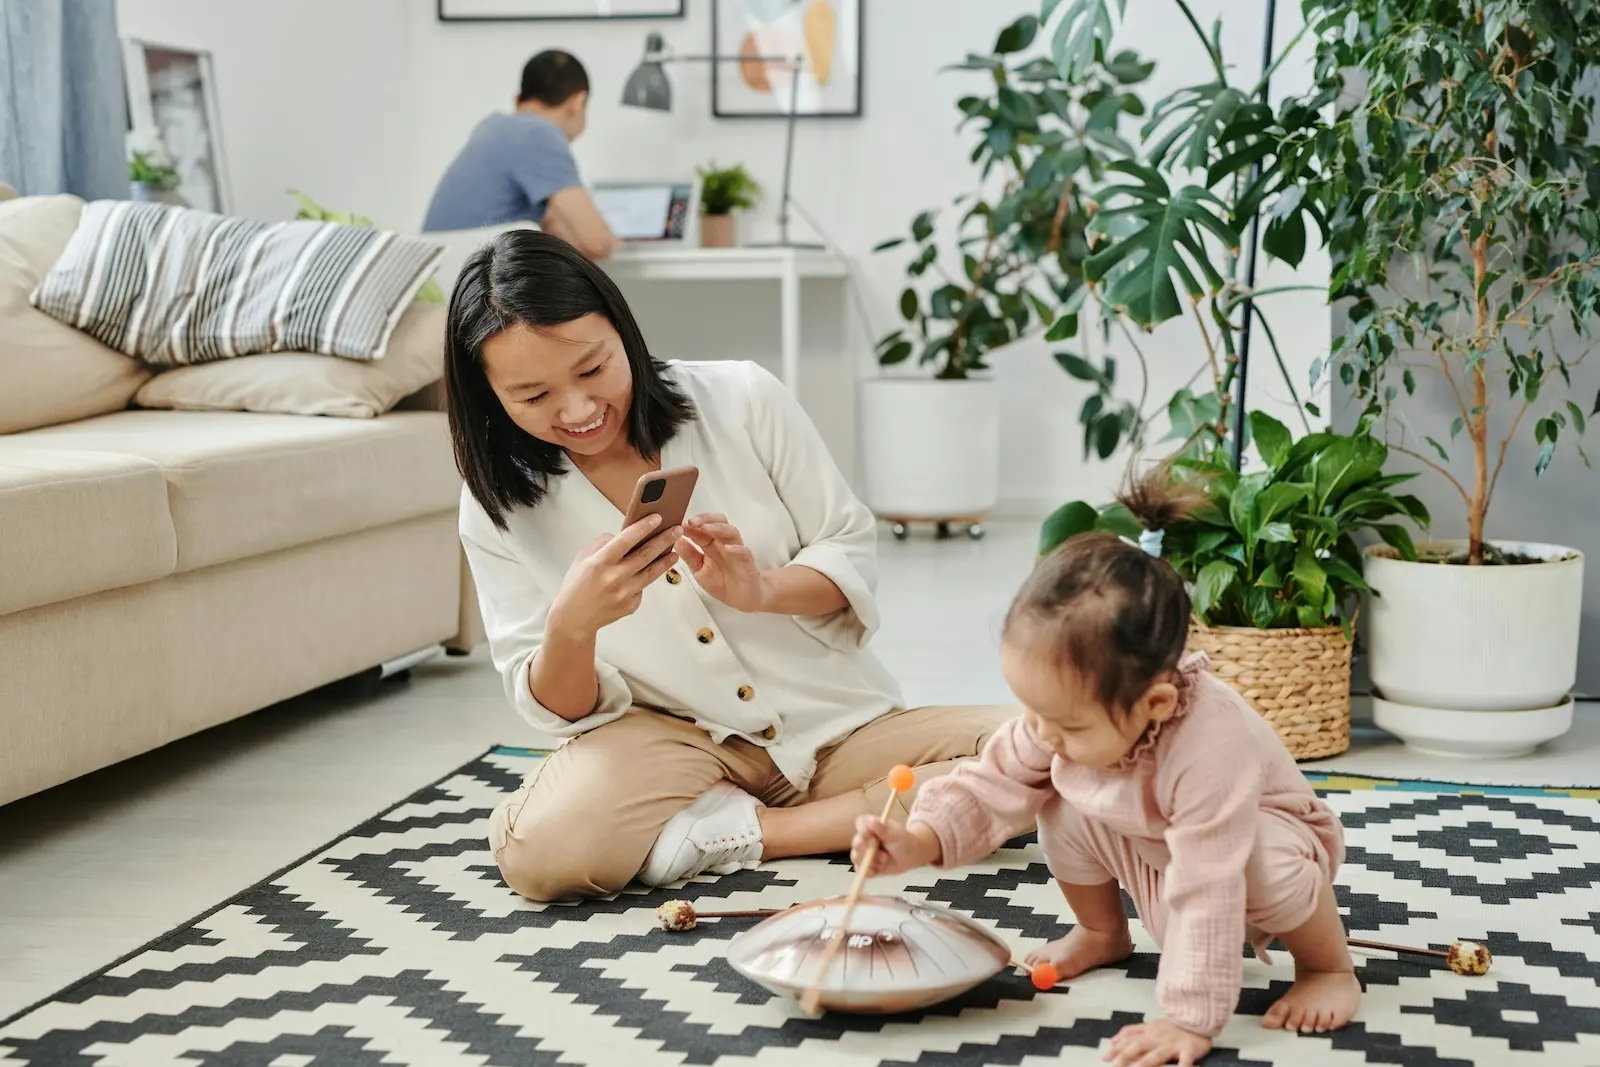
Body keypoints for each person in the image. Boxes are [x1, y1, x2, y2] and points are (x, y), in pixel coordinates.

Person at [446, 229, 1011, 903]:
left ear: (622, 329)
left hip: (833, 726)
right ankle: (821, 821)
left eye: (593, 368)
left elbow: (848, 542)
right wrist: (573, 625)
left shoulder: (743, 398)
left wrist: (761, 588)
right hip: (671, 741)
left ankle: (745, 832)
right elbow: (554, 704)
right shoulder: (496, 506)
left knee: (1052, 751)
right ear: (489, 396)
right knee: (542, 853)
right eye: (533, 396)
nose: (577, 409)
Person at [851, 472, 1360, 1067]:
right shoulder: (1060, 720)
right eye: (1033, 712)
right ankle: (1102, 932)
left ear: (1156, 705)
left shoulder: (1210, 744)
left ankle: (1328, 965)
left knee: (1262, 860)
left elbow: (1208, 881)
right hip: (1158, 853)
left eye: (1067, 724)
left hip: (1244, 858)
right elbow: (992, 786)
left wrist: (1189, 1021)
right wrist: (917, 842)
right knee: (1061, 802)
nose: (1042, 733)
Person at [423, 51, 617, 261]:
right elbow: (598, 243)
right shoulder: (538, 134)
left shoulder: (494, 126)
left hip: (439, 276)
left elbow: (556, 231)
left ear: (518, 100)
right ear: (578, 102)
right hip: (469, 279)